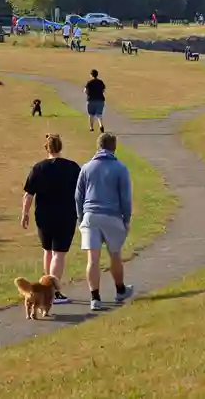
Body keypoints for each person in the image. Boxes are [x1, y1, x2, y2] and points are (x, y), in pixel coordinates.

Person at [75, 132, 134, 311]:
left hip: (90, 215)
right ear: (114, 147)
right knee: (115, 254)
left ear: (98, 146)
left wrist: (80, 217)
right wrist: (127, 218)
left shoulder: (86, 168)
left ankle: (95, 298)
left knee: (92, 259)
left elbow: (78, 196)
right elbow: (125, 197)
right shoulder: (120, 168)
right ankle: (120, 290)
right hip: (112, 215)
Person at [21, 134, 81, 304]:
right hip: (65, 215)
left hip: (44, 216)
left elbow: (28, 194)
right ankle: (52, 292)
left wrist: (25, 213)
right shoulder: (72, 167)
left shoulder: (38, 168)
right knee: (59, 254)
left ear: (46, 148)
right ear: (60, 147)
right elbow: (81, 191)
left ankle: (47, 288)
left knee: (47, 251)